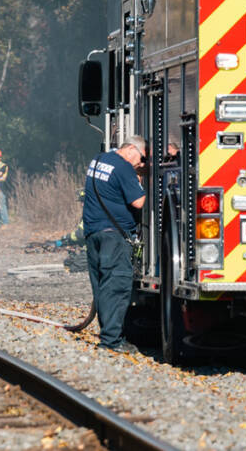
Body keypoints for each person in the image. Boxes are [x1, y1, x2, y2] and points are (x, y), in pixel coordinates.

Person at [82, 136, 147, 353]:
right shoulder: (123, 167)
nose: (142, 163)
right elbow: (138, 202)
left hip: (93, 233)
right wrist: (142, 180)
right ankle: (111, 341)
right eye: (142, 157)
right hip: (114, 236)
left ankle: (108, 333)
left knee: (101, 285)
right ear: (131, 149)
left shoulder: (99, 160)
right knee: (116, 286)